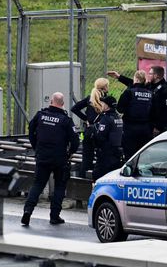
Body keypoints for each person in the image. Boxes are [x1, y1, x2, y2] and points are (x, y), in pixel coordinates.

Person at [23, 92, 79, 226]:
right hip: (60, 158)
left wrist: (36, 147)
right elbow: (75, 141)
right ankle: (54, 216)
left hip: (42, 156)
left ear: (51, 102)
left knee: (37, 185)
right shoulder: (66, 120)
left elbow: (30, 131)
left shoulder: (40, 116)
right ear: (63, 104)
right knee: (60, 186)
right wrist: (70, 153)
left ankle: (27, 212)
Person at [108, 65, 167, 138]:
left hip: (159, 129)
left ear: (156, 76)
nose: (148, 75)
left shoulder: (166, 91)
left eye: (150, 74)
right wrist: (119, 77)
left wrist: (159, 127)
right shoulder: (151, 85)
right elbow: (136, 84)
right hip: (148, 125)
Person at [71, 77, 111, 179]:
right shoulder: (106, 99)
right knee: (101, 158)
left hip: (88, 131)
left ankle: (81, 182)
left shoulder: (90, 98)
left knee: (86, 158)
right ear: (104, 87)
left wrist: (86, 119)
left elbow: (74, 108)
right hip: (100, 132)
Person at [112, 70, 153, 160]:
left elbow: (120, 109)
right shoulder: (150, 93)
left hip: (130, 128)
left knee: (130, 155)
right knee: (143, 154)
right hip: (146, 128)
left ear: (136, 79)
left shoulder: (129, 92)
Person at [90, 96, 124, 180]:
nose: (101, 104)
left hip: (105, 154)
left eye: (103, 103)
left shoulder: (106, 119)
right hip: (117, 153)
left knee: (97, 176)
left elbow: (100, 137)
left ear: (107, 106)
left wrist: (94, 131)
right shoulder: (118, 117)